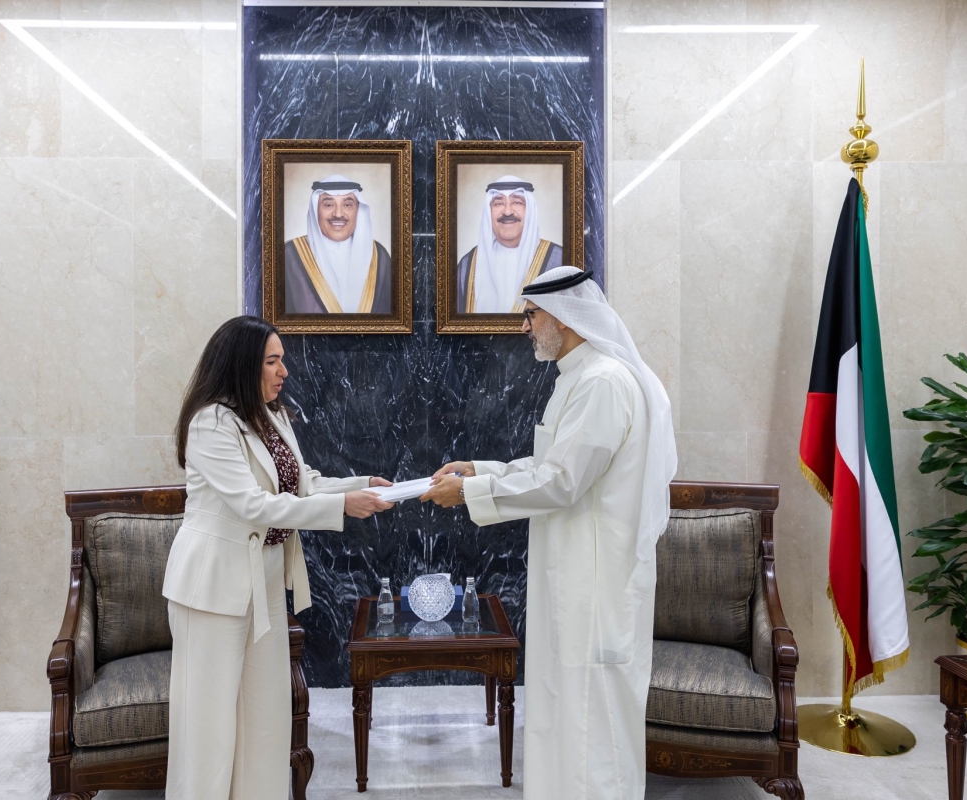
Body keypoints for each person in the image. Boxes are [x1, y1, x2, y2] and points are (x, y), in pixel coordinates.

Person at [422, 266, 677, 800]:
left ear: (564, 317)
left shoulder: (603, 382)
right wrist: (480, 470)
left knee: (592, 729)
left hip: (596, 589)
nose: (525, 327)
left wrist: (469, 493)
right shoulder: (578, 378)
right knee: (566, 717)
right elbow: (551, 465)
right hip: (573, 581)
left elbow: (561, 482)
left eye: (531, 315)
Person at [163, 315, 394, 800]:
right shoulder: (210, 423)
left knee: (265, 723)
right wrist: (342, 507)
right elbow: (253, 505)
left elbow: (303, 483)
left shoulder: (273, 416)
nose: (284, 371)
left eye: (282, 360)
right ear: (243, 365)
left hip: (263, 584)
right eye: (272, 361)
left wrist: (361, 486)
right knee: (209, 730)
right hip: (212, 589)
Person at [284, 175, 393, 314]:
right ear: (316, 210)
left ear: (358, 210)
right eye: (328, 205)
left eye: (347, 205)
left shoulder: (379, 256)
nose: (338, 214)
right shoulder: (289, 255)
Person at [455, 175, 564, 313]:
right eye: (498, 203)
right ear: (489, 212)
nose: (507, 211)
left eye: (517, 202)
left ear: (530, 210)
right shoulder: (467, 265)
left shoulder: (559, 261)